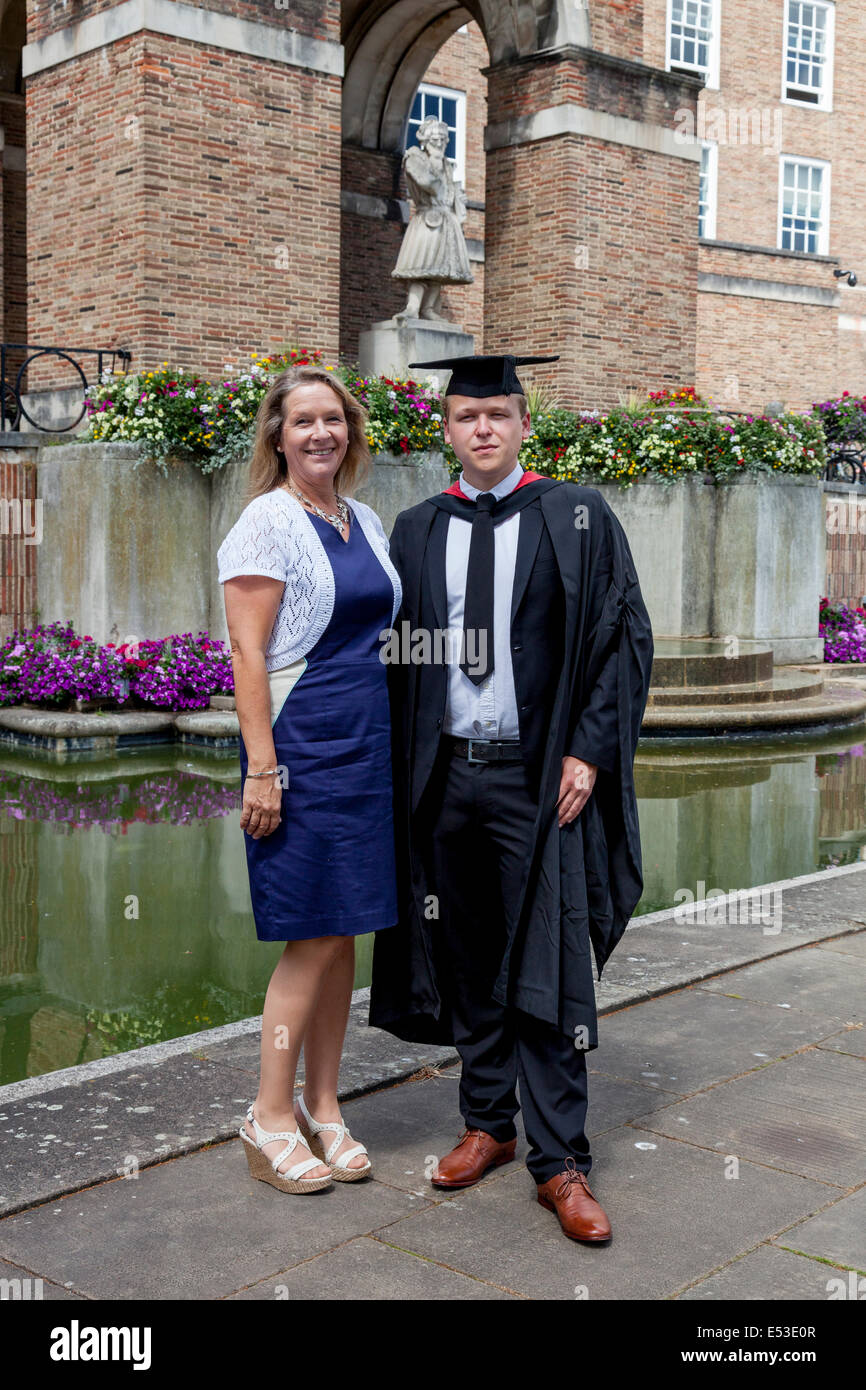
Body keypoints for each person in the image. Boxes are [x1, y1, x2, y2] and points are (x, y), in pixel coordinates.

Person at [370, 352, 654, 1242]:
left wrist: (590, 751)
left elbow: (624, 638)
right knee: (463, 953)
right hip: (447, 773)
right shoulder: (417, 528)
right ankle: (488, 1123)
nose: (482, 429)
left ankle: (562, 1161)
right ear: (445, 430)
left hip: (541, 776)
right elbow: (396, 653)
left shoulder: (576, 516)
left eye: (498, 414)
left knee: (549, 955)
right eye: (466, 417)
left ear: (525, 424)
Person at [217, 364, 402, 1194]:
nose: (321, 432)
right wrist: (263, 769)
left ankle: (325, 1106)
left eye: (334, 419)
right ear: (278, 436)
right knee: (312, 934)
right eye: (304, 422)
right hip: (300, 744)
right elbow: (248, 651)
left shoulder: (363, 518)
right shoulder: (268, 520)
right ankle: (268, 1115)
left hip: (366, 745)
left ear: (350, 432)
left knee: (348, 927)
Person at [392, 115, 473, 322]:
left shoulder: (446, 165)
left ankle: (428, 309)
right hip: (427, 218)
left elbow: (449, 193)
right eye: (435, 138)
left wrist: (457, 199)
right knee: (419, 266)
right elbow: (428, 183)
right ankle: (412, 307)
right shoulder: (415, 158)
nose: (439, 142)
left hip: (447, 221)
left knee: (440, 269)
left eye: (443, 139)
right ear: (426, 140)